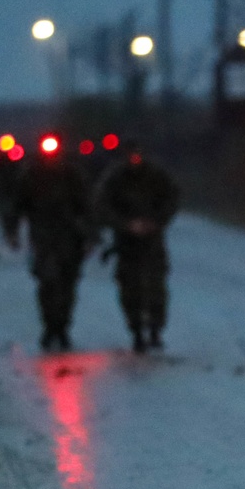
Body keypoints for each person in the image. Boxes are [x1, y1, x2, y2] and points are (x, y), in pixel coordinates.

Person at [4, 134, 97, 352]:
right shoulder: (31, 175)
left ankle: (62, 326)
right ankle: (49, 326)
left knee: (68, 284)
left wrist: (91, 235)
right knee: (47, 283)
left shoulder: (72, 174)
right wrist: (12, 231)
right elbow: (17, 204)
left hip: (70, 237)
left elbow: (86, 205)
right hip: (43, 237)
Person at [95, 142, 180, 353]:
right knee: (130, 287)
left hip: (152, 240)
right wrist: (125, 225)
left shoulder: (156, 175)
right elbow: (102, 204)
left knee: (155, 285)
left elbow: (172, 198)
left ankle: (155, 328)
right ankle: (136, 330)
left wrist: (156, 221)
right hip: (126, 242)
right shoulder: (115, 178)